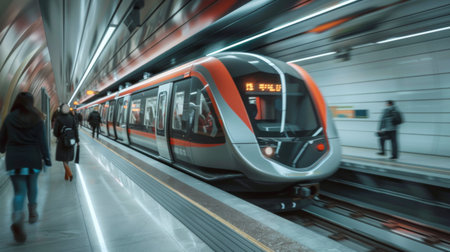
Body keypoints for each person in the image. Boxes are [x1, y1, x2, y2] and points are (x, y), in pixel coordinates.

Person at [0, 92, 52, 243]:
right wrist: (47, 158)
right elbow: (42, 141)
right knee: (32, 185)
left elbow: (2, 139)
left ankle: (17, 217)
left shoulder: (9, 118)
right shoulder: (37, 118)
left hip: (14, 159)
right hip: (32, 158)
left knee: (19, 191)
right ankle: (32, 212)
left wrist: (3, 148)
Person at [53, 104, 79, 181]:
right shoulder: (72, 118)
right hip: (71, 141)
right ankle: (66, 176)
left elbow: (55, 132)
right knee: (67, 157)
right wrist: (77, 140)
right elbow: (75, 130)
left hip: (62, 141)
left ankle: (70, 174)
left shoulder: (59, 119)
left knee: (63, 159)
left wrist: (59, 136)